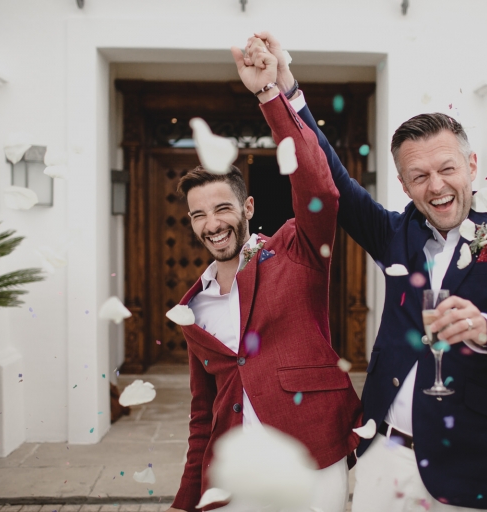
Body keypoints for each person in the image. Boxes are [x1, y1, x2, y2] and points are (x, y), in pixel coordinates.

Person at [245, 33, 487, 512]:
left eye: (447, 169)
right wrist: (282, 90)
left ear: (472, 165)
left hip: (475, 464)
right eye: (419, 177)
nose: (437, 186)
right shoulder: (394, 233)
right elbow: (332, 176)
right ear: (403, 184)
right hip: (385, 456)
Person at [166, 43, 361, 512]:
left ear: (248, 209)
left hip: (312, 453)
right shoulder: (192, 308)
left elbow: (320, 187)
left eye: (222, 209)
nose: (212, 224)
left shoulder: (296, 249)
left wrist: (270, 94)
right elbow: (202, 413)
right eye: (198, 215)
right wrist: (186, 497)